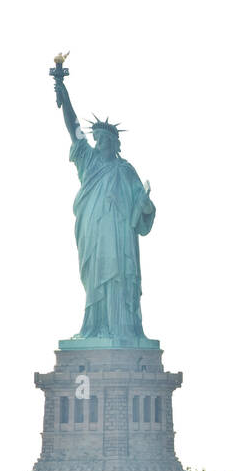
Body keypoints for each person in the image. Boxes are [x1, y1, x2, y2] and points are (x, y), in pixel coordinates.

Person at [53, 68, 155, 341]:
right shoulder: (90, 163)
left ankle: (121, 329)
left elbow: (144, 208)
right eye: (96, 139)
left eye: (103, 140)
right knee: (96, 279)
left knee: (120, 280)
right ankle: (96, 328)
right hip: (94, 234)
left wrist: (145, 204)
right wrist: (64, 94)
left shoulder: (125, 170)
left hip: (121, 239)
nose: (97, 144)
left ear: (114, 143)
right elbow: (74, 130)